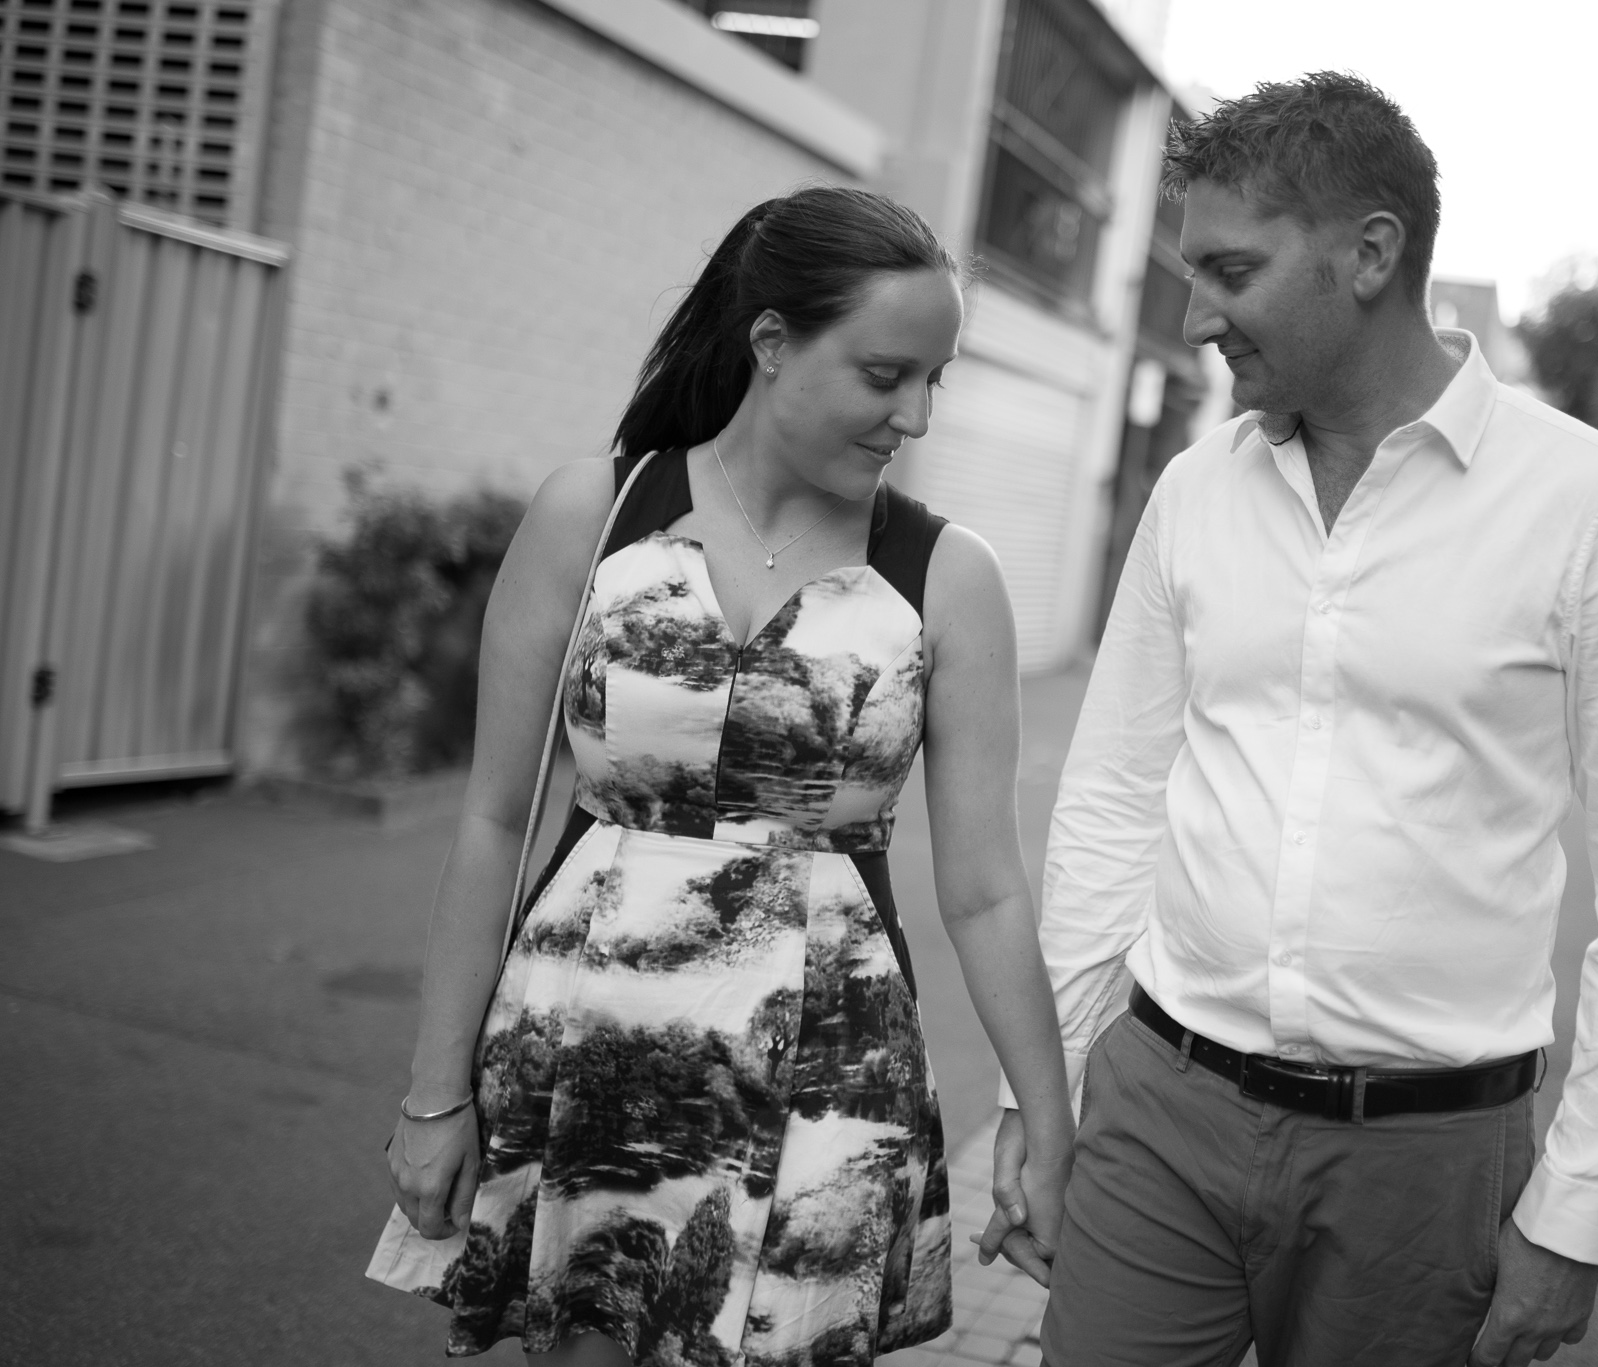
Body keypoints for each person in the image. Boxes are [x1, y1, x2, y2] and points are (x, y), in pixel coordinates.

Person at [976, 73, 1598, 1367]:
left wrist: (1578, 1209)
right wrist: (1038, 1098)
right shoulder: (1196, 491)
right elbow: (1110, 797)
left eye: (1232, 269)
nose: (1197, 313)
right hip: (1164, 1104)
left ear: (1371, 252)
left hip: (1426, 1162)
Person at [366, 185, 1073, 1366]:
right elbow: (493, 818)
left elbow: (988, 888)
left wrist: (1044, 1124)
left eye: (934, 381)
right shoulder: (593, 516)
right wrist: (435, 1091)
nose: (916, 414)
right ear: (772, 342)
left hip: (821, 1083)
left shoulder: (948, 575)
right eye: (886, 374)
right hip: (579, 1052)